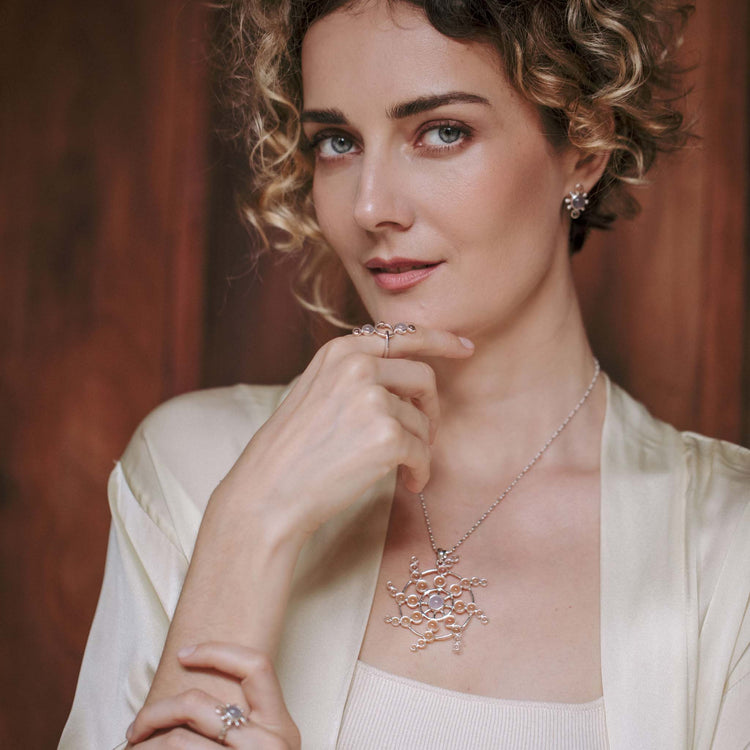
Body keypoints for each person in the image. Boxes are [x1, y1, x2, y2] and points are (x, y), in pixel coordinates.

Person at [60, 0, 750, 748]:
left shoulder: (726, 551)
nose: (370, 205)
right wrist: (247, 527)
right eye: (337, 142)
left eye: (442, 132)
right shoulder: (198, 472)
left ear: (584, 147)